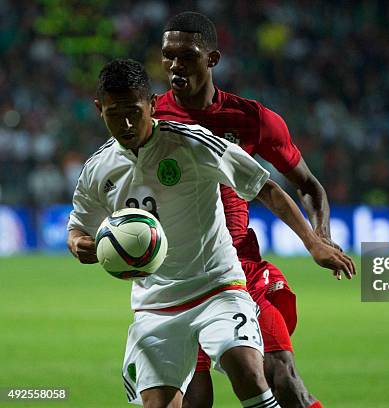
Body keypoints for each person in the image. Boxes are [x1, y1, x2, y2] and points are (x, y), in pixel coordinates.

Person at [66, 58, 354, 407]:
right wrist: (82, 245)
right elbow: (78, 229)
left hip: (217, 288)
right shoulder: (97, 169)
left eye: (134, 111)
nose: (125, 123)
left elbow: (266, 188)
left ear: (153, 105)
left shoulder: (193, 143)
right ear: (99, 109)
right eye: (114, 113)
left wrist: (313, 242)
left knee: (248, 371)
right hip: (154, 307)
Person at [154, 12, 347, 408]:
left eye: (186, 55)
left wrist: (319, 238)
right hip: (181, 279)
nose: (175, 65)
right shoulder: (151, 120)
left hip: (241, 273)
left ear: (212, 59)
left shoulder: (252, 120)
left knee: (282, 377)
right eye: (168, 55)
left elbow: (307, 186)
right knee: (193, 399)